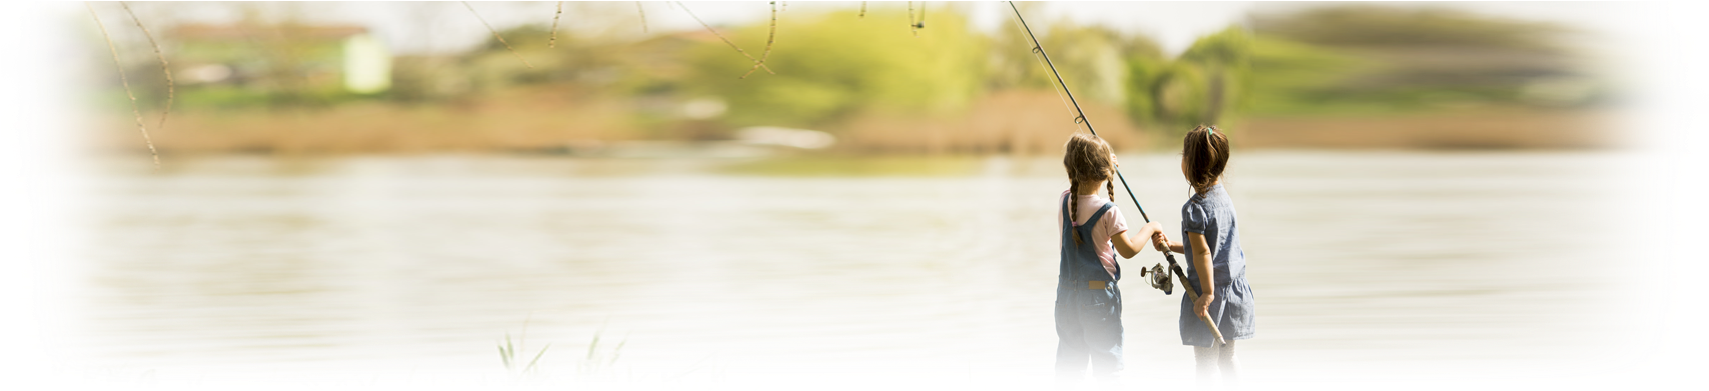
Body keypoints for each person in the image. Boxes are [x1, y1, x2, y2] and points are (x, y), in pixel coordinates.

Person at [1055, 133, 1167, 391]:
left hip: (1066, 299)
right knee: (1107, 364)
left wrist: (1105, 166)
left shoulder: (1064, 201)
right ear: (1105, 172)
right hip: (1099, 301)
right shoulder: (1108, 211)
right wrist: (1150, 228)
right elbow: (1128, 250)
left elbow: (1085, 184)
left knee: (1068, 363)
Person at [1153, 125, 1255, 391]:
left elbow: (1202, 252)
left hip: (1211, 296)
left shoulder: (1194, 209)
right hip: (1232, 292)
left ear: (1191, 165)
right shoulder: (1225, 199)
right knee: (1227, 355)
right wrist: (1172, 245)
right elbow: (1210, 247)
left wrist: (1207, 293)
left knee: (1205, 359)